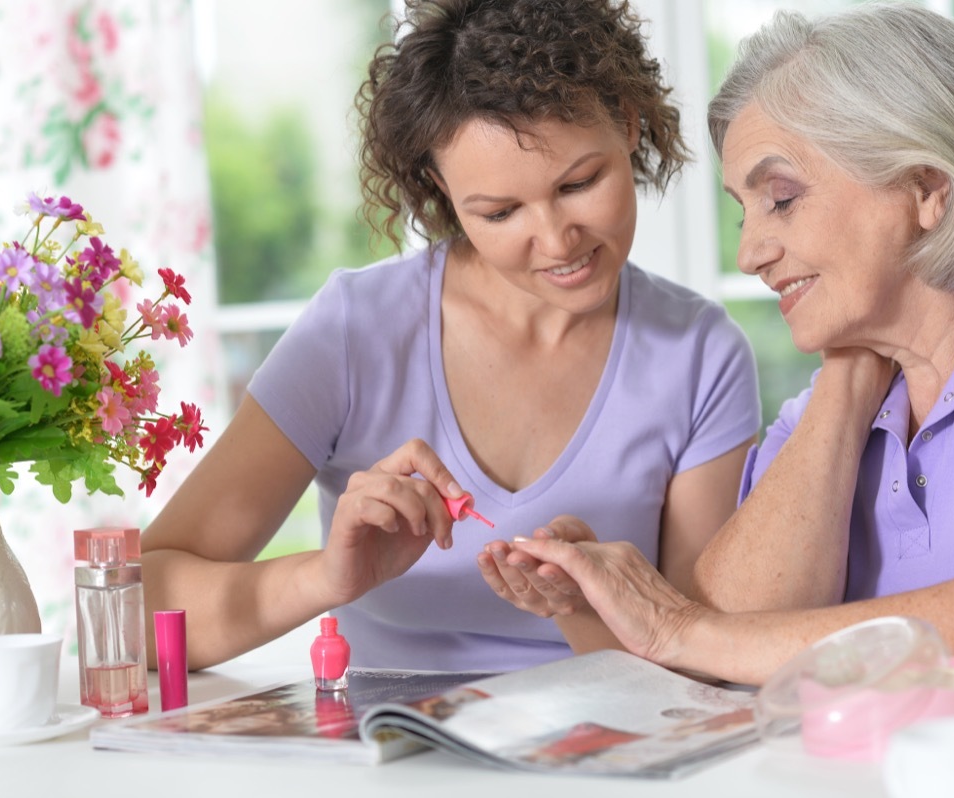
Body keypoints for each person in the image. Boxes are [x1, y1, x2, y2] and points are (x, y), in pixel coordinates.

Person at [489, 3, 954, 699]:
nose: (750, 252)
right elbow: (722, 666)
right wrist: (851, 377)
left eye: (783, 198)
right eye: (743, 210)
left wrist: (675, 624)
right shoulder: (819, 420)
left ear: (926, 188)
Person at [140, 0, 760, 673]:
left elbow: (701, 664)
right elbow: (141, 611)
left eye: (580, 183)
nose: (556, 241)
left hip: (606, 758)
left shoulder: (700, 354)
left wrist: (580, 605)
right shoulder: (355, 332)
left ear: (629, 125)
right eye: (499, 212)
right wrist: (329, 577)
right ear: (440, 187)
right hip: (394, 767)